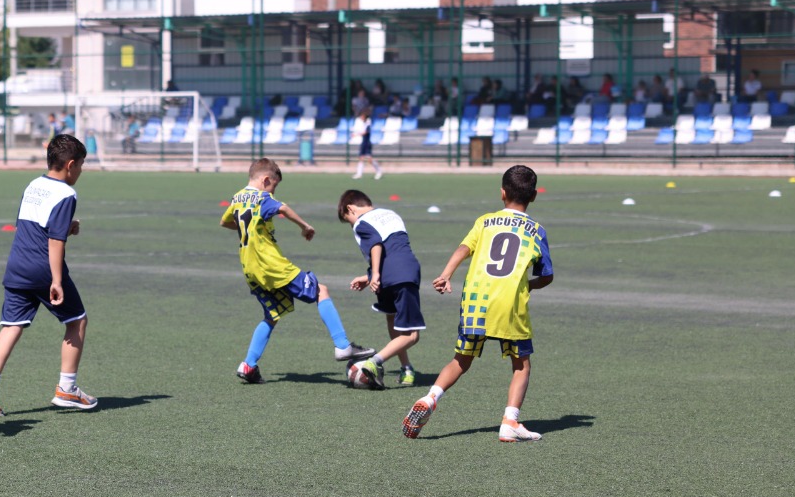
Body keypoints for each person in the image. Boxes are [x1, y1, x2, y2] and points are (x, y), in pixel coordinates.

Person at [404, 164, 554, 443]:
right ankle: (510, 421)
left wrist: (446, 275)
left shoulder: (485, 221)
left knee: (461, 360)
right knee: (521, 363)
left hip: (476, 300)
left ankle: (431, 397)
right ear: (533, 196)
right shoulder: (536, 230)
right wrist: (527, 285)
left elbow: (464, 248)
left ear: (502, 193)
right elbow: (546, 276)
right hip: (510, 304)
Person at [0, 134, 98, 417]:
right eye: (81, 166)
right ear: (71, 164)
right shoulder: (67, 193)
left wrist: (67, 226)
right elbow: (53, 240)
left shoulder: (34, 185)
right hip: (43, 267)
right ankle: (67, 388)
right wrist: (55, 279)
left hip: (17, 265)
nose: (80, 172)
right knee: (76, 321)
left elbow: (34, 226)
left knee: (11, 326)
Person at [222, 157, 374, 385]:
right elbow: (281, 207)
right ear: (266, 180)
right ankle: (343, 345)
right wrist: (305, 226)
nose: (274, 190)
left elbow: (226, 222)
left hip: (250, 269)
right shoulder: (262, 197)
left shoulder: (237, 198)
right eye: (274, 185)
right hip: (272, 265)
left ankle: (248, 365)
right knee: (321, 290)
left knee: (272, 315)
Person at [338, 190, 422, 390]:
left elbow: (375, 244)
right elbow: (392, 248)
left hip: (390, 277)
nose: (351, 224)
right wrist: (370, 276)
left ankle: (400, 367)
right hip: (405, 271)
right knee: (408, 333)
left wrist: (374, 274)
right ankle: (384, 364)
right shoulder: (391, 214)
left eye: (347, 219)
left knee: (403, 329)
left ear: (351, 208)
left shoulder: (361, 222)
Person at [351, 105, 382, 180]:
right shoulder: (360, 121)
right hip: (363, 142)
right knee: (361, 158)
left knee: (369, 159)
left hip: (367, 142)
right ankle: (359, 174)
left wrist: (356, 134)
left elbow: (365, 132)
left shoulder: (368, 122)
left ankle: (379, 171)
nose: (361, 117)